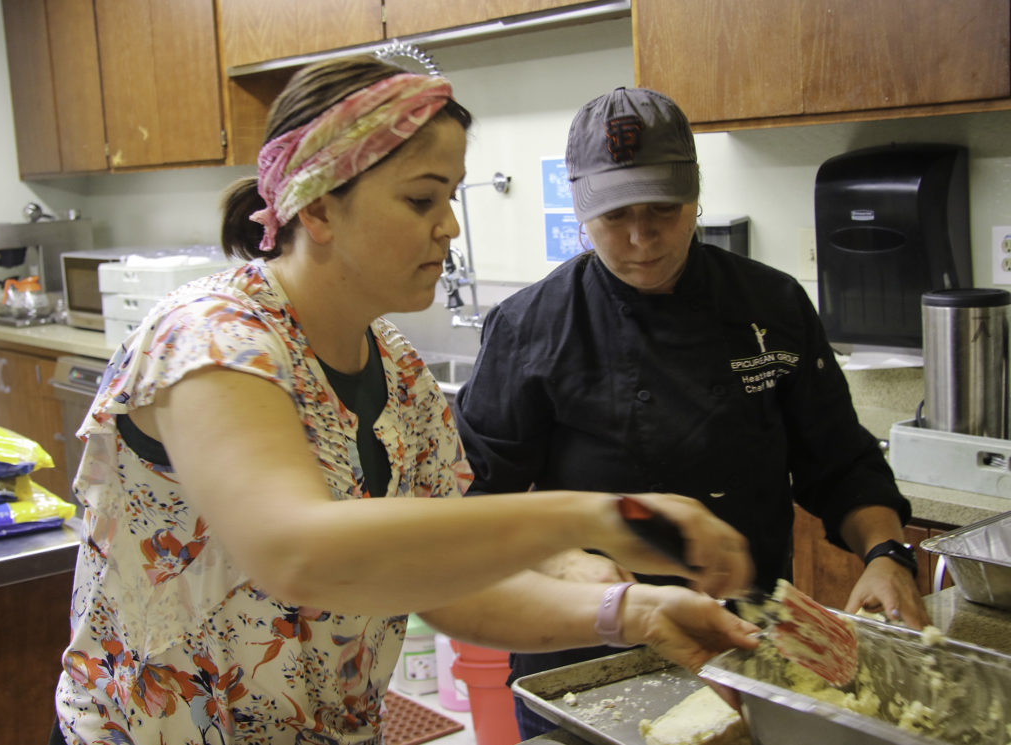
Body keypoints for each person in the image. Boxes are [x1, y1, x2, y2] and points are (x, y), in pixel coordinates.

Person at [50, 61, 760, 745]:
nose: (448, 225)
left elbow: (446, 588)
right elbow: (294, 550)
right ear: (320, 206)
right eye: (423, 198)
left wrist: (632, 611)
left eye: (450, 196)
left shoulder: (401, 372)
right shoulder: (211, 339)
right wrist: (594, 516)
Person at [453, 86, 931, 740]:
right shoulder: (530, 328)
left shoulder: (772, 306)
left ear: (696, 192)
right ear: (580, 206)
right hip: (583, 652)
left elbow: (841, 460)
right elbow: (470, 511)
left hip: (742, 651)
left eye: (664, 209)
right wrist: (562, 559)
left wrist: (887, 552)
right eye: (616, 215)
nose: (642, 237)